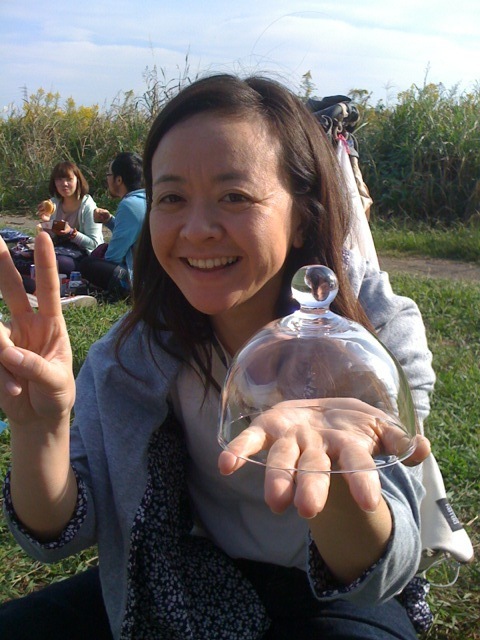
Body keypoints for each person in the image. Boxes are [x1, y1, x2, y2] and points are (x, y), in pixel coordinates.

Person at [0, 75, 436, 640]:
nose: (198, 229)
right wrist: (40, 429)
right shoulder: (135, 354)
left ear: (302, 216)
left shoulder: (372, 334)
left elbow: (380, 568)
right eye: (172, 198)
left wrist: (331, 469)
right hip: (180, 575)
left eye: (235, 197)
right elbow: (56, 531)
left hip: (332, 593)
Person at [12, 162, 104, 294]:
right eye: (59, 179)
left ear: (78, 181)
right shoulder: (54, 204)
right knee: (18, 256)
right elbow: (51, 240)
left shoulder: (88, 207)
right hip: (58, 250)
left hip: (81, 256)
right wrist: (46, 223)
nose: (64, 184)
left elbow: (95, 244)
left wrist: (71, 233)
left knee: (55, 261)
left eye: (69, 179)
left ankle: (33, 277)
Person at [80, 152, 147, 298]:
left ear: (119, 180)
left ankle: (125, 292)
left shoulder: (129, 205)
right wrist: (110, 221)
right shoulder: (146, 198)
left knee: (87, 264)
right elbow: (134, 233)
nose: (107, 179)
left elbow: (113, 256)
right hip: (153, 275)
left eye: (109, 175)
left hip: (140, 280)